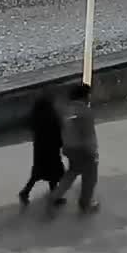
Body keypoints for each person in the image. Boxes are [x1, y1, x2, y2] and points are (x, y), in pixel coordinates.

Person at [51, 83, 100, 212]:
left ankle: (55, 196)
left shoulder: (67, 110)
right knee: (90, 177)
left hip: (69, 148)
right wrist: (93, 151)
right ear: (84, 96)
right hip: (83, 149)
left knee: (72, 172)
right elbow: (88, 134)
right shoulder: (85, 112)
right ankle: (86, 203)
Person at [17, 93, 65, 205]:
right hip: (52, 149)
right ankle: (54, 197)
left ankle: (25, 192)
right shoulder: (52, 117)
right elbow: (58, 132)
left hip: (40, 149)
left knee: (38, 173)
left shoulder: (36, 118)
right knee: (53, 173)